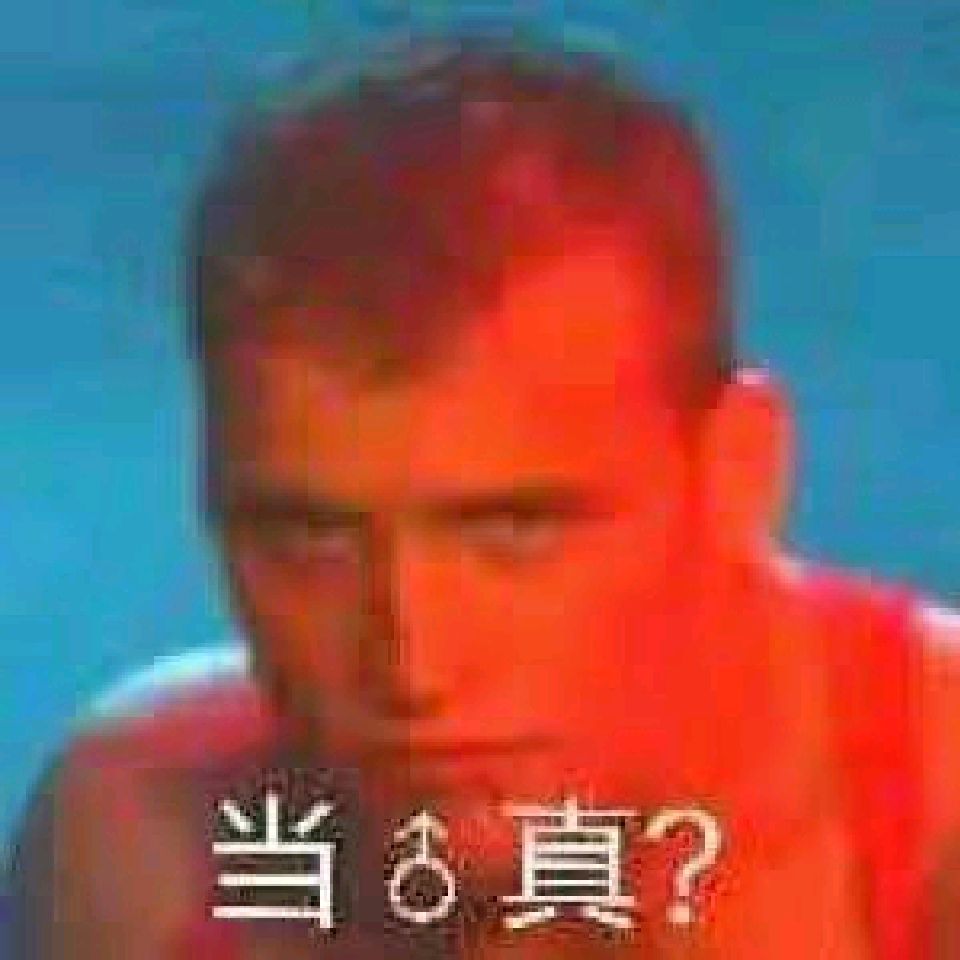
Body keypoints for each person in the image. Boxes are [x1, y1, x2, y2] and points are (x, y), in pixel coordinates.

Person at [8, 36, 960, 959]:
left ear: (737, 476)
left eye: (514, 531)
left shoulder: (935, 827)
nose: (413, 669)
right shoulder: (138, 845)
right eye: (309, 539)